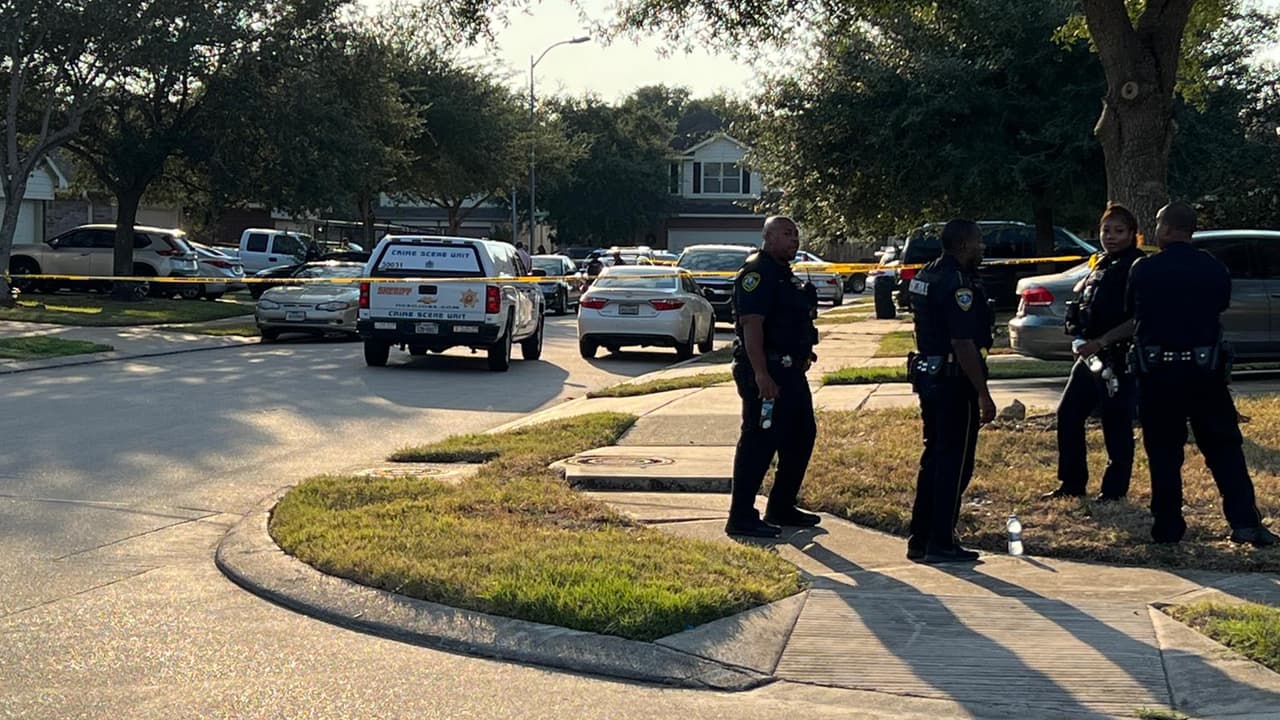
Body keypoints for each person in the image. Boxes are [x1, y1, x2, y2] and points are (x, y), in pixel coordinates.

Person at [1127, 202, 1277, 546]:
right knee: (1225, 449)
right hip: (1204, 372)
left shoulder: (1144, 269)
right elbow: (1220, 306)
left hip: (1158, 373)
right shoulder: (1213, 268)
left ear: (1165, 229)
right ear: (1191, 231)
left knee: (1164, 454)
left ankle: (1167, 528)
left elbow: (1131, 310)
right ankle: (1244, 523)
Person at [725, 216, 821, 538]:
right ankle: (740, 516)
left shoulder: (784, 274)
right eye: (786, 234)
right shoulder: (757, 273)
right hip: (767, 373)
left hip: (791, 371)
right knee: (759, 442)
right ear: (767, 237)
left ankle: (781, 506)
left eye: (796, 233)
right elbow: (752, 326)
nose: (794, 239)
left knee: (802, 435)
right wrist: (762, 374)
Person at [906, 219, 996, 563]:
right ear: (962, 245)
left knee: (934, 458)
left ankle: (921, 537)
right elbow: (962, 342)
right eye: (978, 242)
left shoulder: (927, 273)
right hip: (953, 380)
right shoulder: (958, 283)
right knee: (955, 464)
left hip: (930, 375)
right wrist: (982, 392)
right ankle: (941, 541)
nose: (982, 248)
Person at [1042, 203, 1144, 503]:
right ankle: (1071, 483)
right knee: (1069, 415)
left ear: (1133, 234)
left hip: (1120, 357)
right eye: (1106, 230)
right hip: (1090, 356)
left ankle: (1114, 491)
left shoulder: (1137, 266)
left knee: (1116, 423)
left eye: (1119, 231)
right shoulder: (1100, 263)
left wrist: (1102, 341)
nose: (1110, 237)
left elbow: (1139, 318)